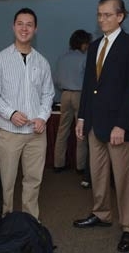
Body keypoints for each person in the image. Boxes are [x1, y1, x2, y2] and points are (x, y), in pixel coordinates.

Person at [73, 0, 129, 252]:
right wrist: (82, 117)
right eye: (99, 15)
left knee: (125, 180)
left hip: (118, 127)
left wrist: (123, 124)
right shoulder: (94, 47)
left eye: (107, 15)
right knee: (98, 175)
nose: (102, 19)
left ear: (120, 16)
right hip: (94, 124)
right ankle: (101, 214)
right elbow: (88, 87)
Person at [0, 7, 55, 221]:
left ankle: (31, 222)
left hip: (36, 133)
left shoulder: (42, 62)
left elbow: (48, 94)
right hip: (9, 132)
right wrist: (11, 113)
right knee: (6, 181)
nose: (24, 28)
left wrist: (43, 117)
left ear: (35, 29)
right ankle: (4, 220)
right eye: (20, 24)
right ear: (13, 26)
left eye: (29, 24)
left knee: (33, 180)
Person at [53, 29, 92, 186]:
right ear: (83, 43)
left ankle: (58, 164)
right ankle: (80, 166)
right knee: (80, 132)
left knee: (62, 131)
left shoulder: (62, 58)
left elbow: (56, 80)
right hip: (79, 96)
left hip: (64, 95)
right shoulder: (84, 58)